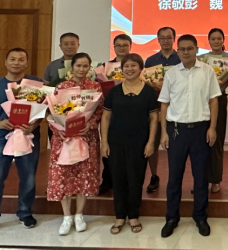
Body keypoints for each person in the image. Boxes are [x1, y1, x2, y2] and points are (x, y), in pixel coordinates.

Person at [0, 48, 43, 237]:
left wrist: (34, 125)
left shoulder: (36, 85)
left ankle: (25, 212)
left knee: (28, 177)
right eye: (12, 59)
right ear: (6, 62)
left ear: (26, 63)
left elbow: (44, 110)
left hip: (27, 136)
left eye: (21, 59)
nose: (16, 63)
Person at [159, 34, 221, 238]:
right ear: (177, 51)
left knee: (201, 177)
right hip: (176, 131)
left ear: (196, 50)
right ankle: (171, 218)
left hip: (201, 130)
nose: (186, 52)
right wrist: (164, 132)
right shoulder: (171, 74)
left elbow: (213, 101)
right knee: (174, 177)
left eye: (190, 48)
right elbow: (164, 104)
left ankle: (200, 217)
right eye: (182, 49)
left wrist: (212, 128)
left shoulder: (207, 71)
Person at [101, 53, 159, 235]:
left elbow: (154, 118)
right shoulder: (114, 92)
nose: (129, 69)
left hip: (139, 143)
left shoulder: (149, 92)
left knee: (136, 180)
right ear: (121, 69)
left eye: (134, 65)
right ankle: (119, 216)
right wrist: (104, 142)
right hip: (116, 142)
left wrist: (151, 142)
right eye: (126, 66)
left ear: (141, 68)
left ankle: (133, 215)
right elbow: (106, 117)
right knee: (118, 180)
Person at [47, 52, 103, 236]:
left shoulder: (95, 87)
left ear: (90, 68)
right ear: (72, 68)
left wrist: (90, 124)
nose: (81, 69)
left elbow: (99, 112)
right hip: (64, 139)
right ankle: (66, 216)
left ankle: (79, 214)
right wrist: (59, 129)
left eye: (85, 66)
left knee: (84, 174)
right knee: (64, 175)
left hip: (86, 138)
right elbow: (52, 113)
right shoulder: (61, 87)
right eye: (78, 65)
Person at [144, 27, 179, 194]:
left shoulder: (181, 58)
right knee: (154, 141)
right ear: (158, 40)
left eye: (168, 37)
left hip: (178, 107)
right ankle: (154, 175)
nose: (165, 40)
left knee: (176, 145)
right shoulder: (151, 61)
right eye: (162, 38)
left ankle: (175, 177)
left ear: (174, 39)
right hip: (156, 107)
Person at [99, 34, 133, 194]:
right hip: (111, 111)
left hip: (132, 111)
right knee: (109, 146)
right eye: (118, 45)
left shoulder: (135, 65)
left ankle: (127, 181)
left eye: (125, 45)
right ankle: (108, 179)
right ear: (113, 47)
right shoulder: (104, 67)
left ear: (130, 46)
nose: (121, 48)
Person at [201, 28, 228, 194]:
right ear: (209, 41)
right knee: (200, 142)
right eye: (213, 39)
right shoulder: (202, 59)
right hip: (201, 100)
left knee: (216, 140)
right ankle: (201, 180)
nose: (216, 41)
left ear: (223, 40)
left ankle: (215, 180)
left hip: (219, 99)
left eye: (219, 38)